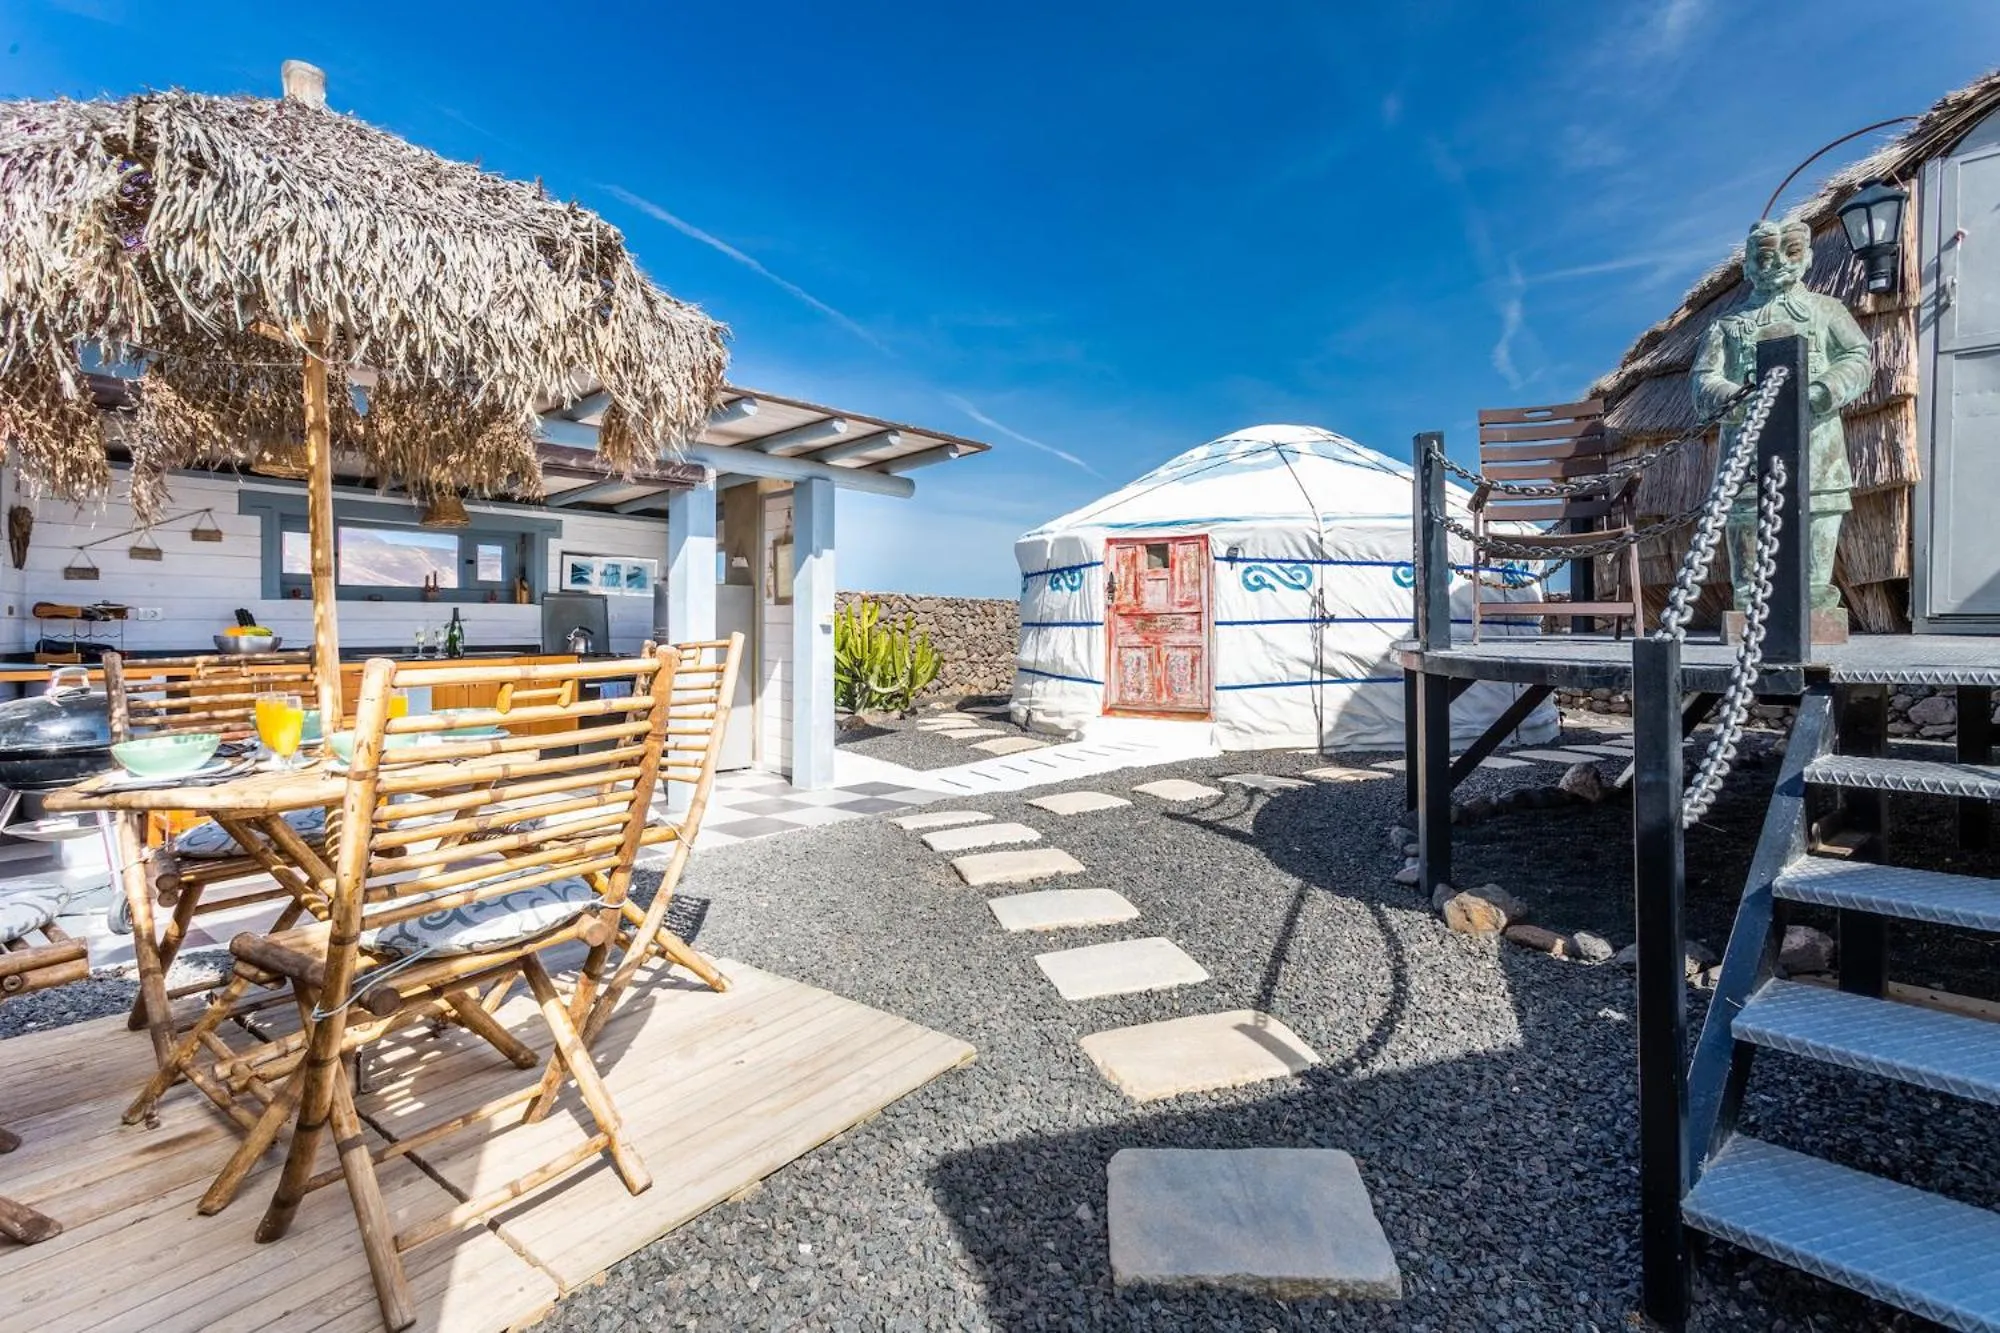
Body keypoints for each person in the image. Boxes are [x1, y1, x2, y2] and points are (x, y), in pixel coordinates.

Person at [1691, 217, 1872, 620]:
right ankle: (1749, 597)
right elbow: (1703, 379)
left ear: (1806, 257)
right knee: (1745, 514)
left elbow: (1859, 357)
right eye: (1765, 256)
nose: (1776, 264)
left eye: (1789, 253)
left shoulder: (1828, 311)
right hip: (1746, 445)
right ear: (1748, 265)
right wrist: (1737, 399)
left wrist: (1823, 391)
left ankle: (1814, 599)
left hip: (1816, 437)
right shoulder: (1727, 325)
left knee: (1818, 508)